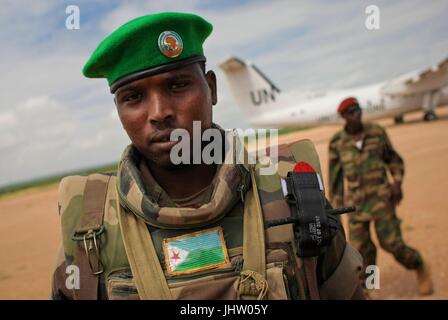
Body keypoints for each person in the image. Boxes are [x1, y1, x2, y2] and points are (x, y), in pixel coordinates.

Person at [51, 12, 364, 300]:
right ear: (119, 111)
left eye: (178, 85)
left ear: (211, 88)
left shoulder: (289, 186)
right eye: (133, 97)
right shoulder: (89, 221)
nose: (159, 113)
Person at [329, 97, 434, 296]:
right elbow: (335, 180)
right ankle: (368, 289)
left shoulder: (377, 133)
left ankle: (419, 264)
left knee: (392, 244)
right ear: (343, 117)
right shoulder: (337, 143)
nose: (356, 114)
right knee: (362, 251)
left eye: (358, 109)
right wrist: (337, 210)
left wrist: (397, 181)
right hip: (356, 207)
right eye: (351, 112)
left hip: (382, 201)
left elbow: (394, 160)